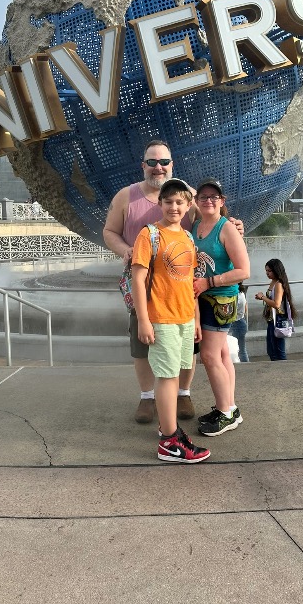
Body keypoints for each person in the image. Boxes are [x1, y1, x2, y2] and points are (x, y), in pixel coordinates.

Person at [103, 140, 244, 424]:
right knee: (142, 343)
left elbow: (214, 218)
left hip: (180, 287)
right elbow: (109, 232)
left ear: (172, 165)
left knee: (187, 344)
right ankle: (147, 398)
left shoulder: (187, 193)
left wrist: (234, 225)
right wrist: (127, 251)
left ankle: (183, 392)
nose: (158, 167)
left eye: (164, 162)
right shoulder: (125, 197)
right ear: (143, 165)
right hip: (141, 284)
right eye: (152, 162)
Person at [131, 178, 210, 463]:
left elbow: (190, 283)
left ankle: (169, 428)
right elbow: (137, 280)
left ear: (189, 206)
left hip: (185, 317)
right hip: (161, 317)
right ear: (160, 204)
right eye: (168, 202)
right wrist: (143, 320)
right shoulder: (150, 235)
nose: (174, 207)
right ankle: (169, 441)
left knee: (176, 374)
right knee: (167, 377)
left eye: (179, 202)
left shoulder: (188, 238)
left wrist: (196, 318)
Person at [192, 178, 250, 437]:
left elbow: (243, 271)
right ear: (196, 201)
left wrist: (209, 282)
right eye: (203, 196)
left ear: (222, 201)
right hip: (204, 297)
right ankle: (230, 407)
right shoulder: (196, 227)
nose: (208, 200)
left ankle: (225, 414)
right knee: (223, 354)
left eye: (214, 197)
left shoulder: (227, 229)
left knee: (210, 356)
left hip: (221, 300)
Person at [255, 258, 297, 361]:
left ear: (276, 270)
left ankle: (282, 370)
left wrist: (262, 297)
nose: (267, 273)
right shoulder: (273, 282)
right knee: (271, 349)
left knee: (278, 349)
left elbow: (277, 304)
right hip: (272, 319)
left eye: (270, 271)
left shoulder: (278, 284)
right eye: (266, 271)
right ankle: (278, 369)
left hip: (278, 319)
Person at [229, 283, 249, 362]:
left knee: (238, 351)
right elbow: (245, 309)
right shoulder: (241, 293)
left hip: (236, 322)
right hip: (241, 321)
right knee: (242, 350)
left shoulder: (235, 295)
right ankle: (247, 366)